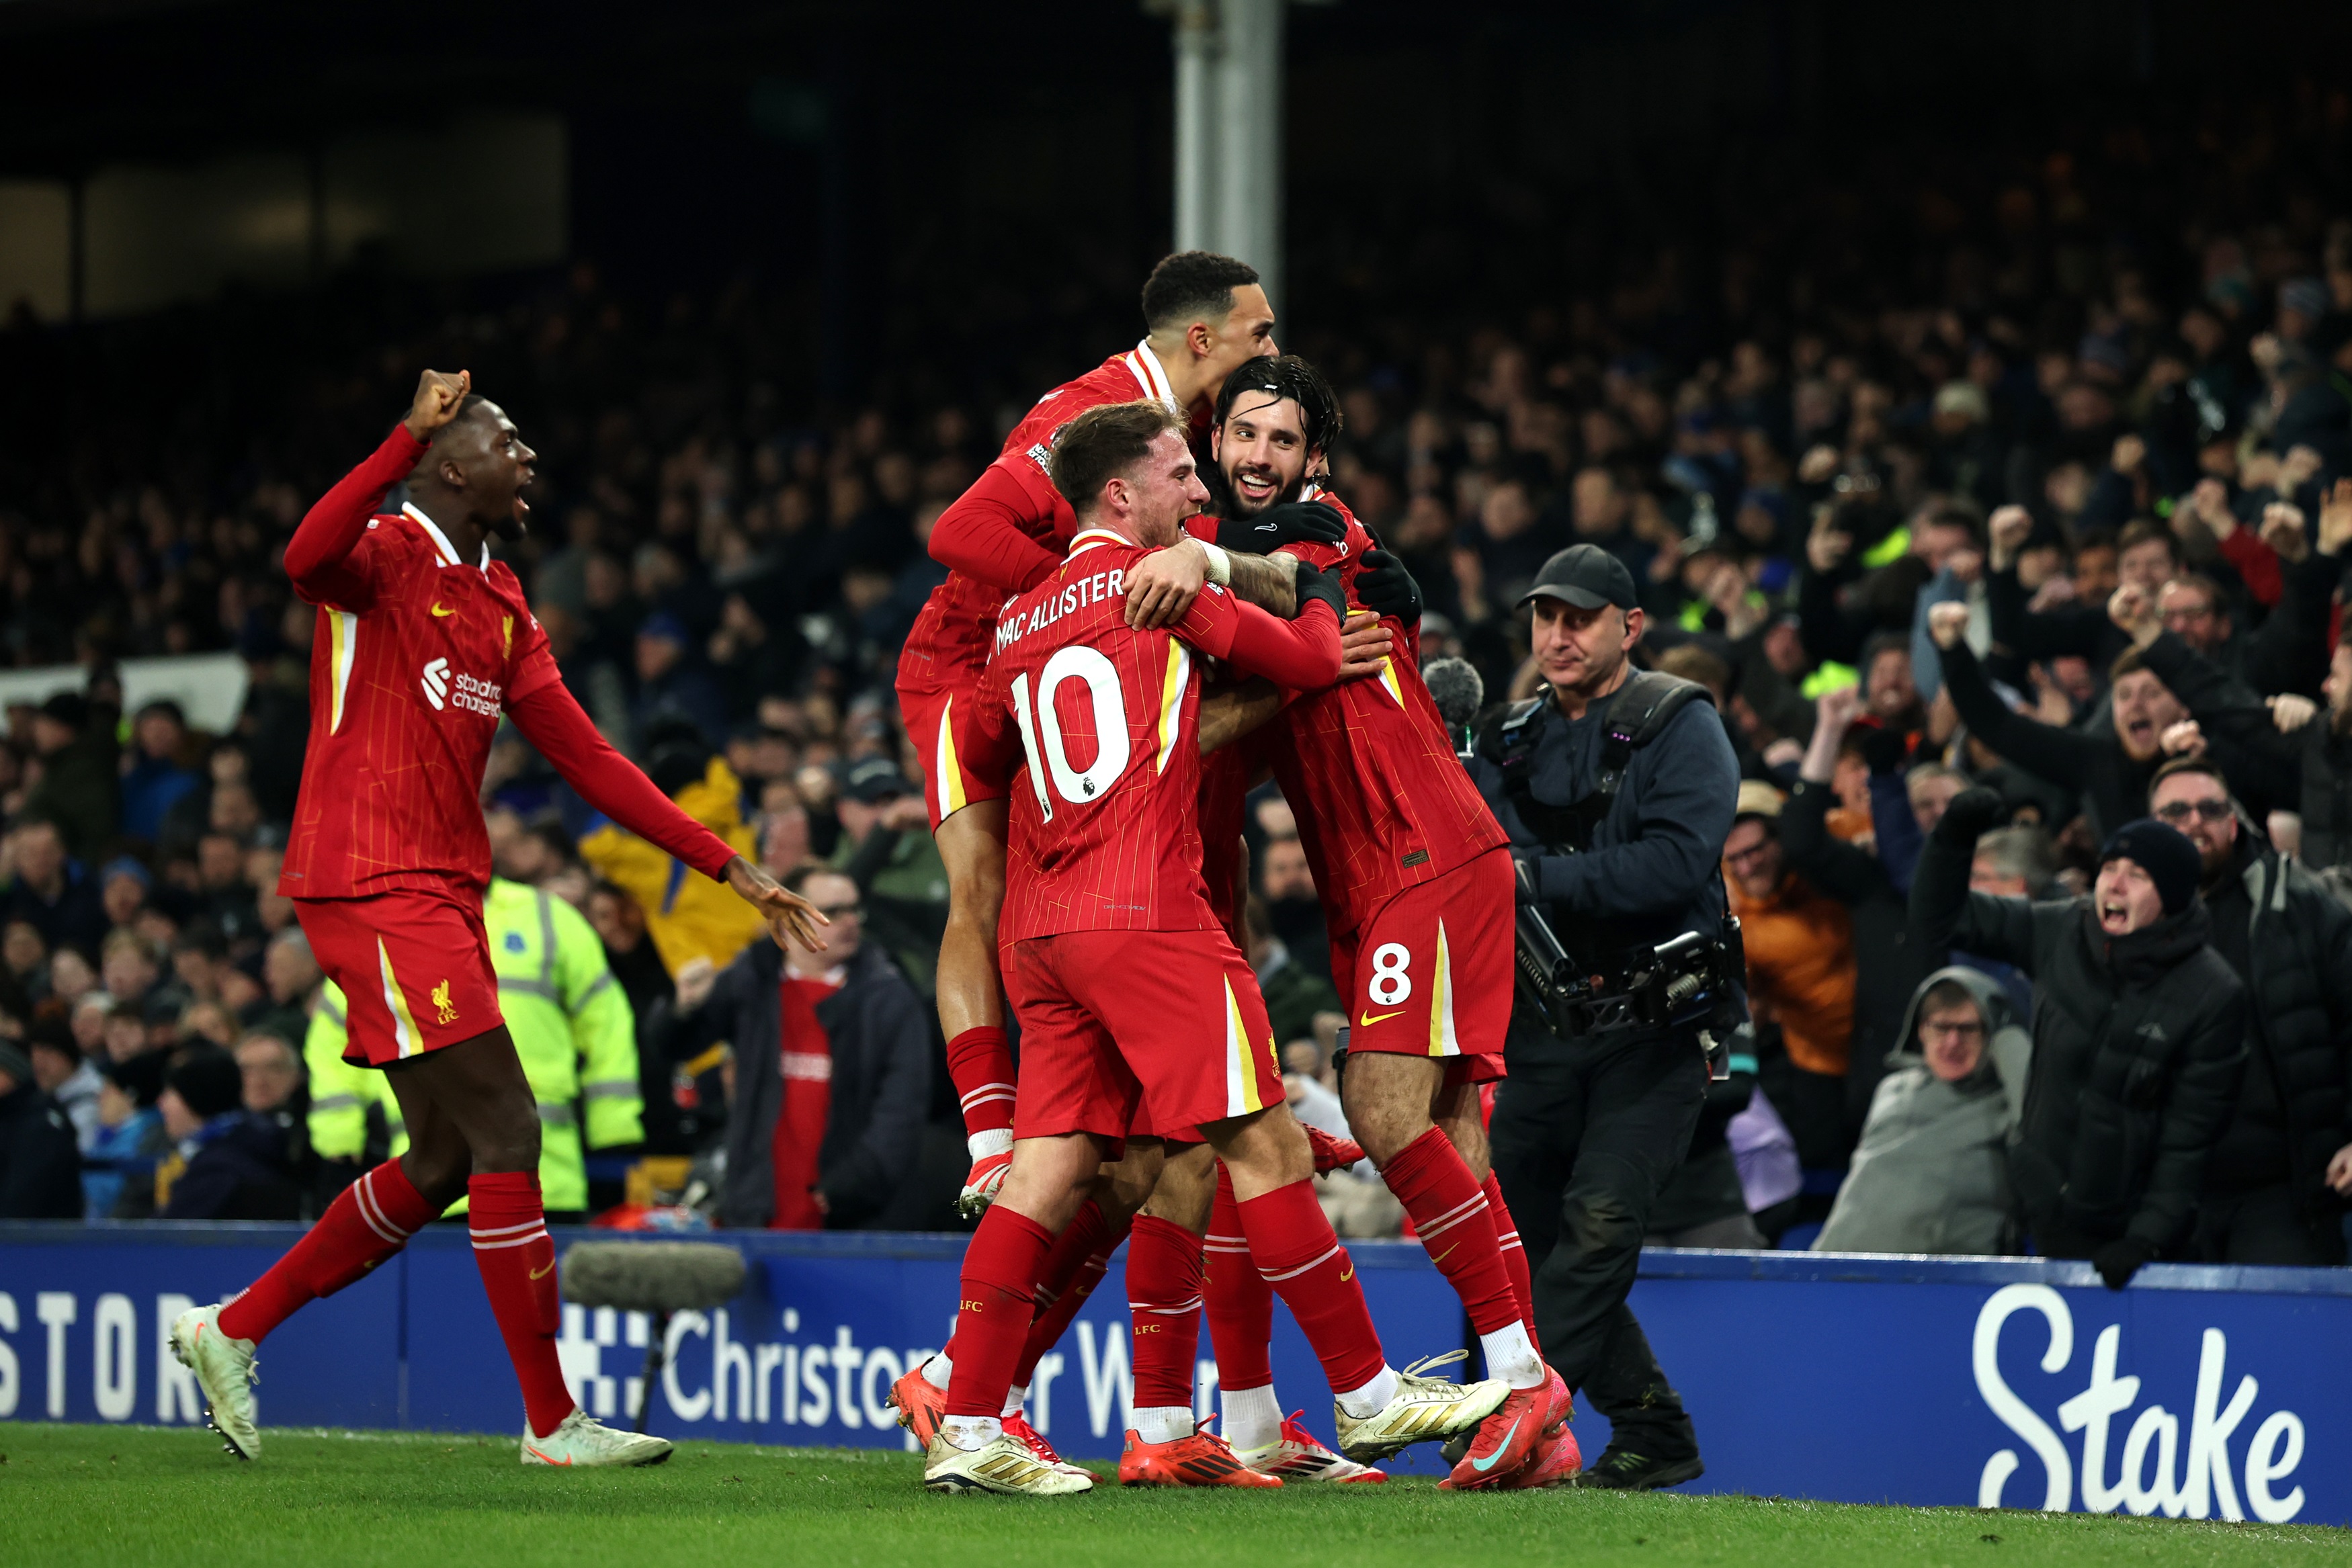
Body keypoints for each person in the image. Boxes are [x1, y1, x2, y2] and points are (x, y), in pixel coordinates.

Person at [168, 368, 830, 1471]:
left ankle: (227, 1328)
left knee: (438, 1158)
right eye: (505, 437)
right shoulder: (381, 553)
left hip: (439, 887)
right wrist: (395, 437)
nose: (527, 455)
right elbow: (299, 557)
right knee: (510, 1131)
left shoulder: (502, 598)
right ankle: (549, 1419)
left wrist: (732, 868)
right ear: (448, 457)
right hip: (370, 874)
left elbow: (591, 757)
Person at [901, 400, 1508, 1497]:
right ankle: (1369, 1391)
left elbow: (983, 739)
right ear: (1121, 495)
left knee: (1043, 1172)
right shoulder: (1164, 584)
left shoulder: (1020, 617)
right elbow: (1316, 652)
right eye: (1182, 473)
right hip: (1151, 915)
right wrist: (1327, 587)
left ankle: (974, 1416)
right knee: (1265, 1146)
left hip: (1040, 928)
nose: (1200, 493)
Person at [1195, 356, 1568, 1489]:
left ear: (1317, 460)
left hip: (1422, 849)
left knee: (1379, 1105)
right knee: (1452, 1129)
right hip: (1386, 872)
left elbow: (1281, 567)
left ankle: (1519, 1378)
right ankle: (1535, 1425)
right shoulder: (1292, 562)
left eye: (1283, 439)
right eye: (1242, 435)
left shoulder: (1313, 536)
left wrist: (1187, 556)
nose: (1261, 457)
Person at [896, 252, 1316, 1218]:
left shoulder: (1204, 429)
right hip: (970, 663)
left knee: (1218, 848)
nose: (1274, 348)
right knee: (985, 881)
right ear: (1202, 339)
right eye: (1261, 332)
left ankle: (1230, 1085)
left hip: (1071, 662)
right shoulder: (1087, 413)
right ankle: (990, 1135)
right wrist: (1077, 594)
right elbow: (959, 533)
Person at [1472, 541, 1741, 1490]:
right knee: (1513, 1231)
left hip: (1657, 1030)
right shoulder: (1506, 735)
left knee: (1599, 1220)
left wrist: (1533, 876)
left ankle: (1507, 1413)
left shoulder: (1680, 720)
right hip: (1544, 1025)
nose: (1557, 634)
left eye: (1578, 617)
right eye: (1545, 617)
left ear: (1630, 627)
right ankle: (1650, 1428)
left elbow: (1674, 865)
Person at [1911, 791, 2246, 1287]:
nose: (2116, 885)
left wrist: (2147, 1237)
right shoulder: (2060, 930)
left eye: (2137, 876)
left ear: (2172, 897)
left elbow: (2188, 1140)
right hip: (2042, 1204)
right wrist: (1954, 837)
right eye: (2111, 868)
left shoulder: (2212, 993)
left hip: (2134, 1235)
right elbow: (1940, 919)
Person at [2144, 758, 2352, 1265]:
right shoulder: (2122, 924)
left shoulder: (2299, 906)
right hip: (2166, 1197)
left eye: (2210, 809)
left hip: (2283, 1192)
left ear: (2233, 823)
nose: (2195, 821)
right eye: (2176, 812)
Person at [676, 866, 933, 1229]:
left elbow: (901, 1110)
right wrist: (683, 1009)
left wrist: (859, 1179)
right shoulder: (752, 980)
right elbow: (677, 1046)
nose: (849, 922)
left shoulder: (889, 998)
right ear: (787, 915)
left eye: (853, 909)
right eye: (832, 912)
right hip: (756, 1209)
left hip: (852, 1214)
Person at [1812, 969, 2029, 1256]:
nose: (1952, 1043)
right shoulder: (1892, 1089)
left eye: (1967, 1029)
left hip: (1944, 1284)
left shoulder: (2007, 1102)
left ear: (1991, 1033)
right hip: (1838, 1270)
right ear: (1922, 1031)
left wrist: (2010, 1036)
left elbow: (2044, 1134)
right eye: (1941, 1028)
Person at [1929, 599, 2186, 839]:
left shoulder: (2213, 751)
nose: (2135, 705)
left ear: (2183, 706)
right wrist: (1954, 651)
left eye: (2152, 693)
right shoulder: (2097, 760)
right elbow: (1996, 725)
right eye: (2124, 695)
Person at [1722, 781, 1857, 1168]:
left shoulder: (1829, 850)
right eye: (1734, 859)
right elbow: (1744, 1001)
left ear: (1780, 838)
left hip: (1879, 1042)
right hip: (1815, 1060)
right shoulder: (1730, 918)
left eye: (1755, 851)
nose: (1747, 866)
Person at [157, 1044, 300, 1221]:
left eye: (171, 1093)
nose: (162, 1104)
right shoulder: (243, 1147)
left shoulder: (217, 1172)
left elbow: (165, 1238)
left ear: (196, 1099)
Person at [0, 1039, 82, 1218]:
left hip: (42, 1240)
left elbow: (23, 1199)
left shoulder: (42, 1124)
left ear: (12, 1073)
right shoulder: (11, 1117)